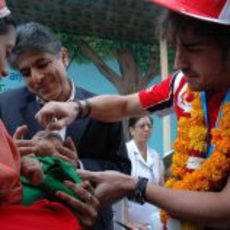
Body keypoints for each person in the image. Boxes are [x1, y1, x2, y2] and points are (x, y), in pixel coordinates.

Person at [36, 0, 230, 229]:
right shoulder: (182, 86)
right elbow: (126, 105)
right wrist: (77, 108)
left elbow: (224, 209)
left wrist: (134, 186)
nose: (179, 63)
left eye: (193, 48)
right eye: (176, 47)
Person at [0, 21, 130, 230]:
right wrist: (14, 156)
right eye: (26, 72)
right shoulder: (5, 105)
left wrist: (78, 166)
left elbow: (123, 169)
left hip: (91, 222)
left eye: (42, 64)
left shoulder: (102, 108)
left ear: (63, 56)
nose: (37, 78)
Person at [126, 115, 164, 229]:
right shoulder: (125, 152)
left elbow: (161, 187)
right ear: (132, 130)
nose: (147, 129)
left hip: (154, 221)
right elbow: (119, 191)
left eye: (149, 126)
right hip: (131, 223)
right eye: (142, 126)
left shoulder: (155, 156)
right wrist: (127, 222)